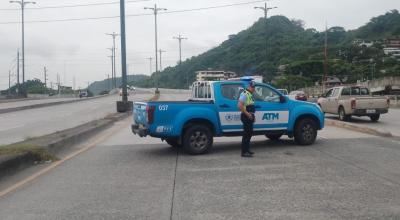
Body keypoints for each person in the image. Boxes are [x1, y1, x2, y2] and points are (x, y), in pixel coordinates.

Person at [237, 81, 256, 157]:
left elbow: (250, 106)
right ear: (248, 87)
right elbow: (239, 105)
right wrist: (248, 114)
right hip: (246, 116)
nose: (253, 88)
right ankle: (244, 152)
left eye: (254, 87)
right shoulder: (244, 94)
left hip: (249, 116)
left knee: (249, 133)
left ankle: (247, 149)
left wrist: (253, 117)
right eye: (252, 87)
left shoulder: (249, 94)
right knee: (246, 134)